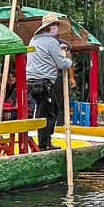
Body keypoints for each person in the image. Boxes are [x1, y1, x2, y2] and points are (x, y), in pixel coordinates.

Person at [26, 13, 73, 151]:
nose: (57, 28)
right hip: (43, 82)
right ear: (50, 27)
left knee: (52, 109)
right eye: (55, 25)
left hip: (34, 82)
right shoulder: (51, 42)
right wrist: (69, 60)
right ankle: (44, 145)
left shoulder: (34, 40)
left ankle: (46, 142)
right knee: (48, 114)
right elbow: (62, 63)